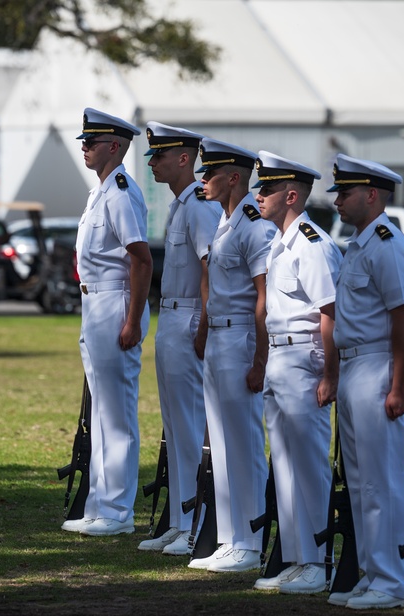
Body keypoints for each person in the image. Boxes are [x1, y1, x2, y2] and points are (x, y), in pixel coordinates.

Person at [325, 154, 404, 611]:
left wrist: (399, 385)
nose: (338, 201)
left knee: (383, 480)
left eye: (345, 192)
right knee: (360, 481)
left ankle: (392, 579)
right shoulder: (359, 244)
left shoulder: (387, 244)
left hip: (379, 366)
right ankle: (371, 571)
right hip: (354, 367)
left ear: (372, 195)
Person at [250, 151, 341, 593]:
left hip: (306, 360)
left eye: (265, 188)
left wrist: (330, 374)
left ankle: (319, 561)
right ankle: (296, 555)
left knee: (307, 464)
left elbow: (331, 313)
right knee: (283, 464)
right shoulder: (279, 241)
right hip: (282, 361)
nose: (258, 194)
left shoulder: (312, 243)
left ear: (290, 195)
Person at [60, 108, 153, 537]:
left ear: (113, 147)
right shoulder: (100, 191)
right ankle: (99, 504)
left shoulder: (119, 192)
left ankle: (117, 510)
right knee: (101, 410)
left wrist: (132, 319)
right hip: (95, 304)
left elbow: (140, 258)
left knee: (116, 412)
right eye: (84, 141)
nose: (84, 147)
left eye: (91, 142)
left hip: (116, 302)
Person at [188, 138, 275, 573]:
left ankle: (251, 539)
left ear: (234, 178)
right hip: (220, 338)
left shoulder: (254, 225)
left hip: (241, 338)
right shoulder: (225, 222)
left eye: (211, 173)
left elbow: (264, 299)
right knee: (220, 443)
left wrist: (260, 361)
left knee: (243, 443)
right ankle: (230, 538)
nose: (203, 180)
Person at [138, 122, 221, 555]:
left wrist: (203, 326)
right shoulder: (181, 205)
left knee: (189, 425)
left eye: (161, 155)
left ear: (185, 158)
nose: (153, 162)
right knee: (173, 426)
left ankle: (195, 519)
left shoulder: (200, 206)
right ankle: (178, 520)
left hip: (188, 317)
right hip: (170, 316)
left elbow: (210, 270)